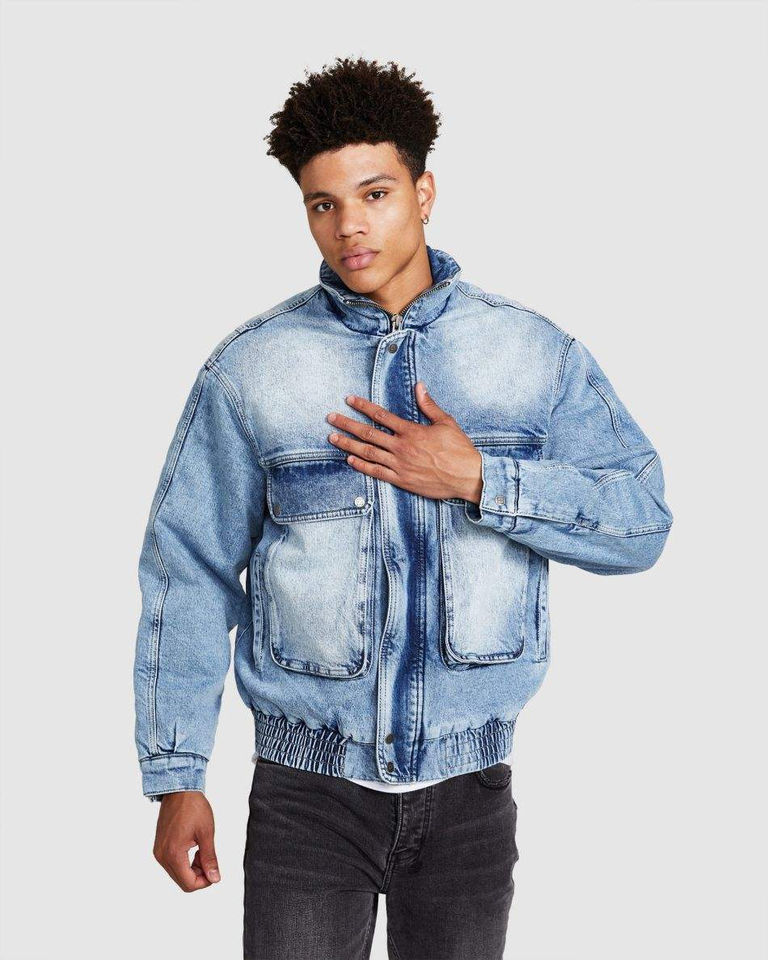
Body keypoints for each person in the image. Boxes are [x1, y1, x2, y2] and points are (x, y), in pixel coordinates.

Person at [133, 56, 674, 960]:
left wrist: (482, 480)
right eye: (322, 204)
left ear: (424, 192)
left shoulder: (531, 355)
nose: (349, 226)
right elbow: (187, 568)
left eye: (375, 194)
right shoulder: (252, 370)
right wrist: (176, 772)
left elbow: (642, 520)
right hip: (305, 799)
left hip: (470, 800)